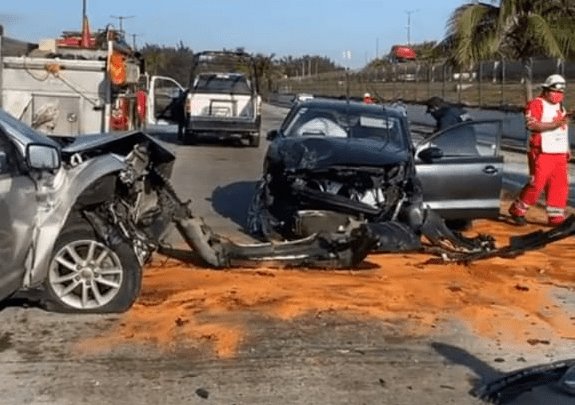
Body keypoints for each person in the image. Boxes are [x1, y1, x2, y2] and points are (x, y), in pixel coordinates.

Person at [508, 74, 572, 226]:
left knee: (560, 185)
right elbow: (532, 125)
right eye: (555, 91)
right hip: (541, 151)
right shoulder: (536, 104)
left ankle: (556, 217)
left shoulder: (560, 105)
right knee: (536, 183)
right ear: (546, 90)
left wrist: (567, 148)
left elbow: (563, 128)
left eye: (561, 92)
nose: (558, 95)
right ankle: (518, 209)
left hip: (558, 152)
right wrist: (555, 125)